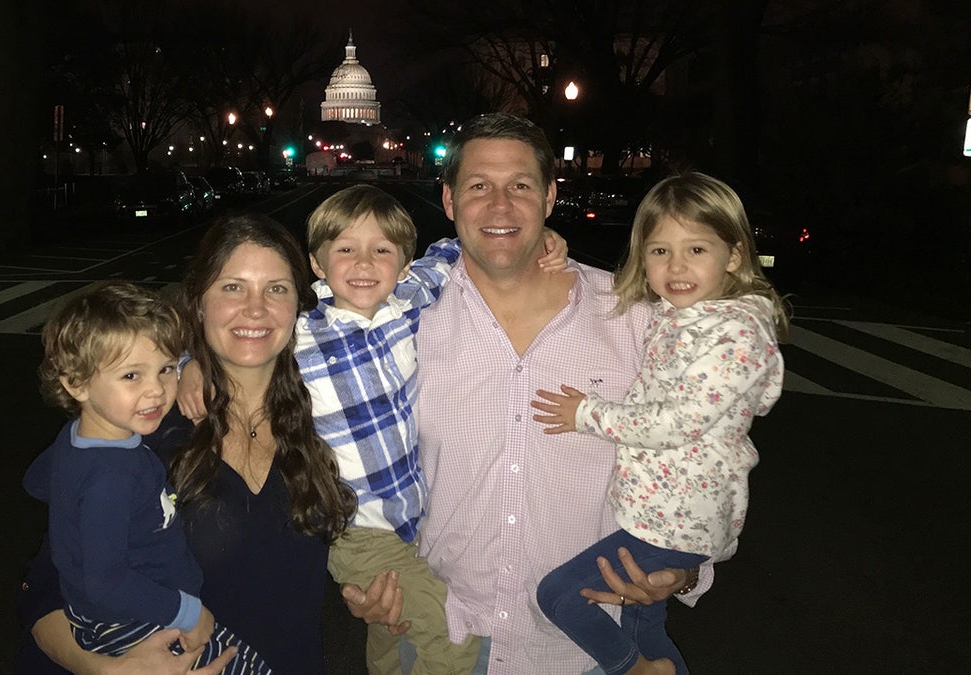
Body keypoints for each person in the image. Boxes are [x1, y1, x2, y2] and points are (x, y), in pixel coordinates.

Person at [343, 113, 710, 675]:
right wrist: (198, 369)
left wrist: (683, 570)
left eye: (519, 186)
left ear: (549, 197)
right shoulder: (399, 321)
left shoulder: (631, 318)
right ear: (447, 200)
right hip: (448, 641)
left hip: (594, 648)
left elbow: (704, 453)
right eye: (478, 187)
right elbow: (287, 354)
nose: (499, 206)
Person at [178, 185, 566, 675]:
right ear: (318, 265)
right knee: (453, 638)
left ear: (403, 265)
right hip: (358, 528)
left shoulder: (409, 302)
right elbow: (241, 341)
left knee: (392, 631)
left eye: (382, 250)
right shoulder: (300, 333)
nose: (364, 263)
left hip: (416, 516)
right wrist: (190, 363)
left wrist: (541, 236)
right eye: (345, 250)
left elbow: (458, 250)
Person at [19, 214, 357, 675]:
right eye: (232, 287)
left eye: (276, 288)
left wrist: (370, 583)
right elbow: (49, 585)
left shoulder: (328, 416)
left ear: (298, 303)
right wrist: (106, 670)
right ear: (197, 303)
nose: (255, 309)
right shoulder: (145, 428)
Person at [530, 172, 787, 675]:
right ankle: (649, 664)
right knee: (646, 626)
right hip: (659, 510)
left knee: (560, 596)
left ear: (733, 256)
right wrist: (558, 250)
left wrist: (587, 413)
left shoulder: (735, 332)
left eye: (696, 249)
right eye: (660, 251)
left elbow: (679, 421)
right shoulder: (682, 315)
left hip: (677, 518)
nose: (676, 266)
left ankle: (630, 669)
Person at [21, 281, 269, 673]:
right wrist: (188, 612)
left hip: (121, 614)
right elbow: (105, 581)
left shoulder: (86, 441)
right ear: (76, 383)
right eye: (132, 376)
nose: (157, 390)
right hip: (134, 623)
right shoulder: (111, 477)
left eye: (166, 369)